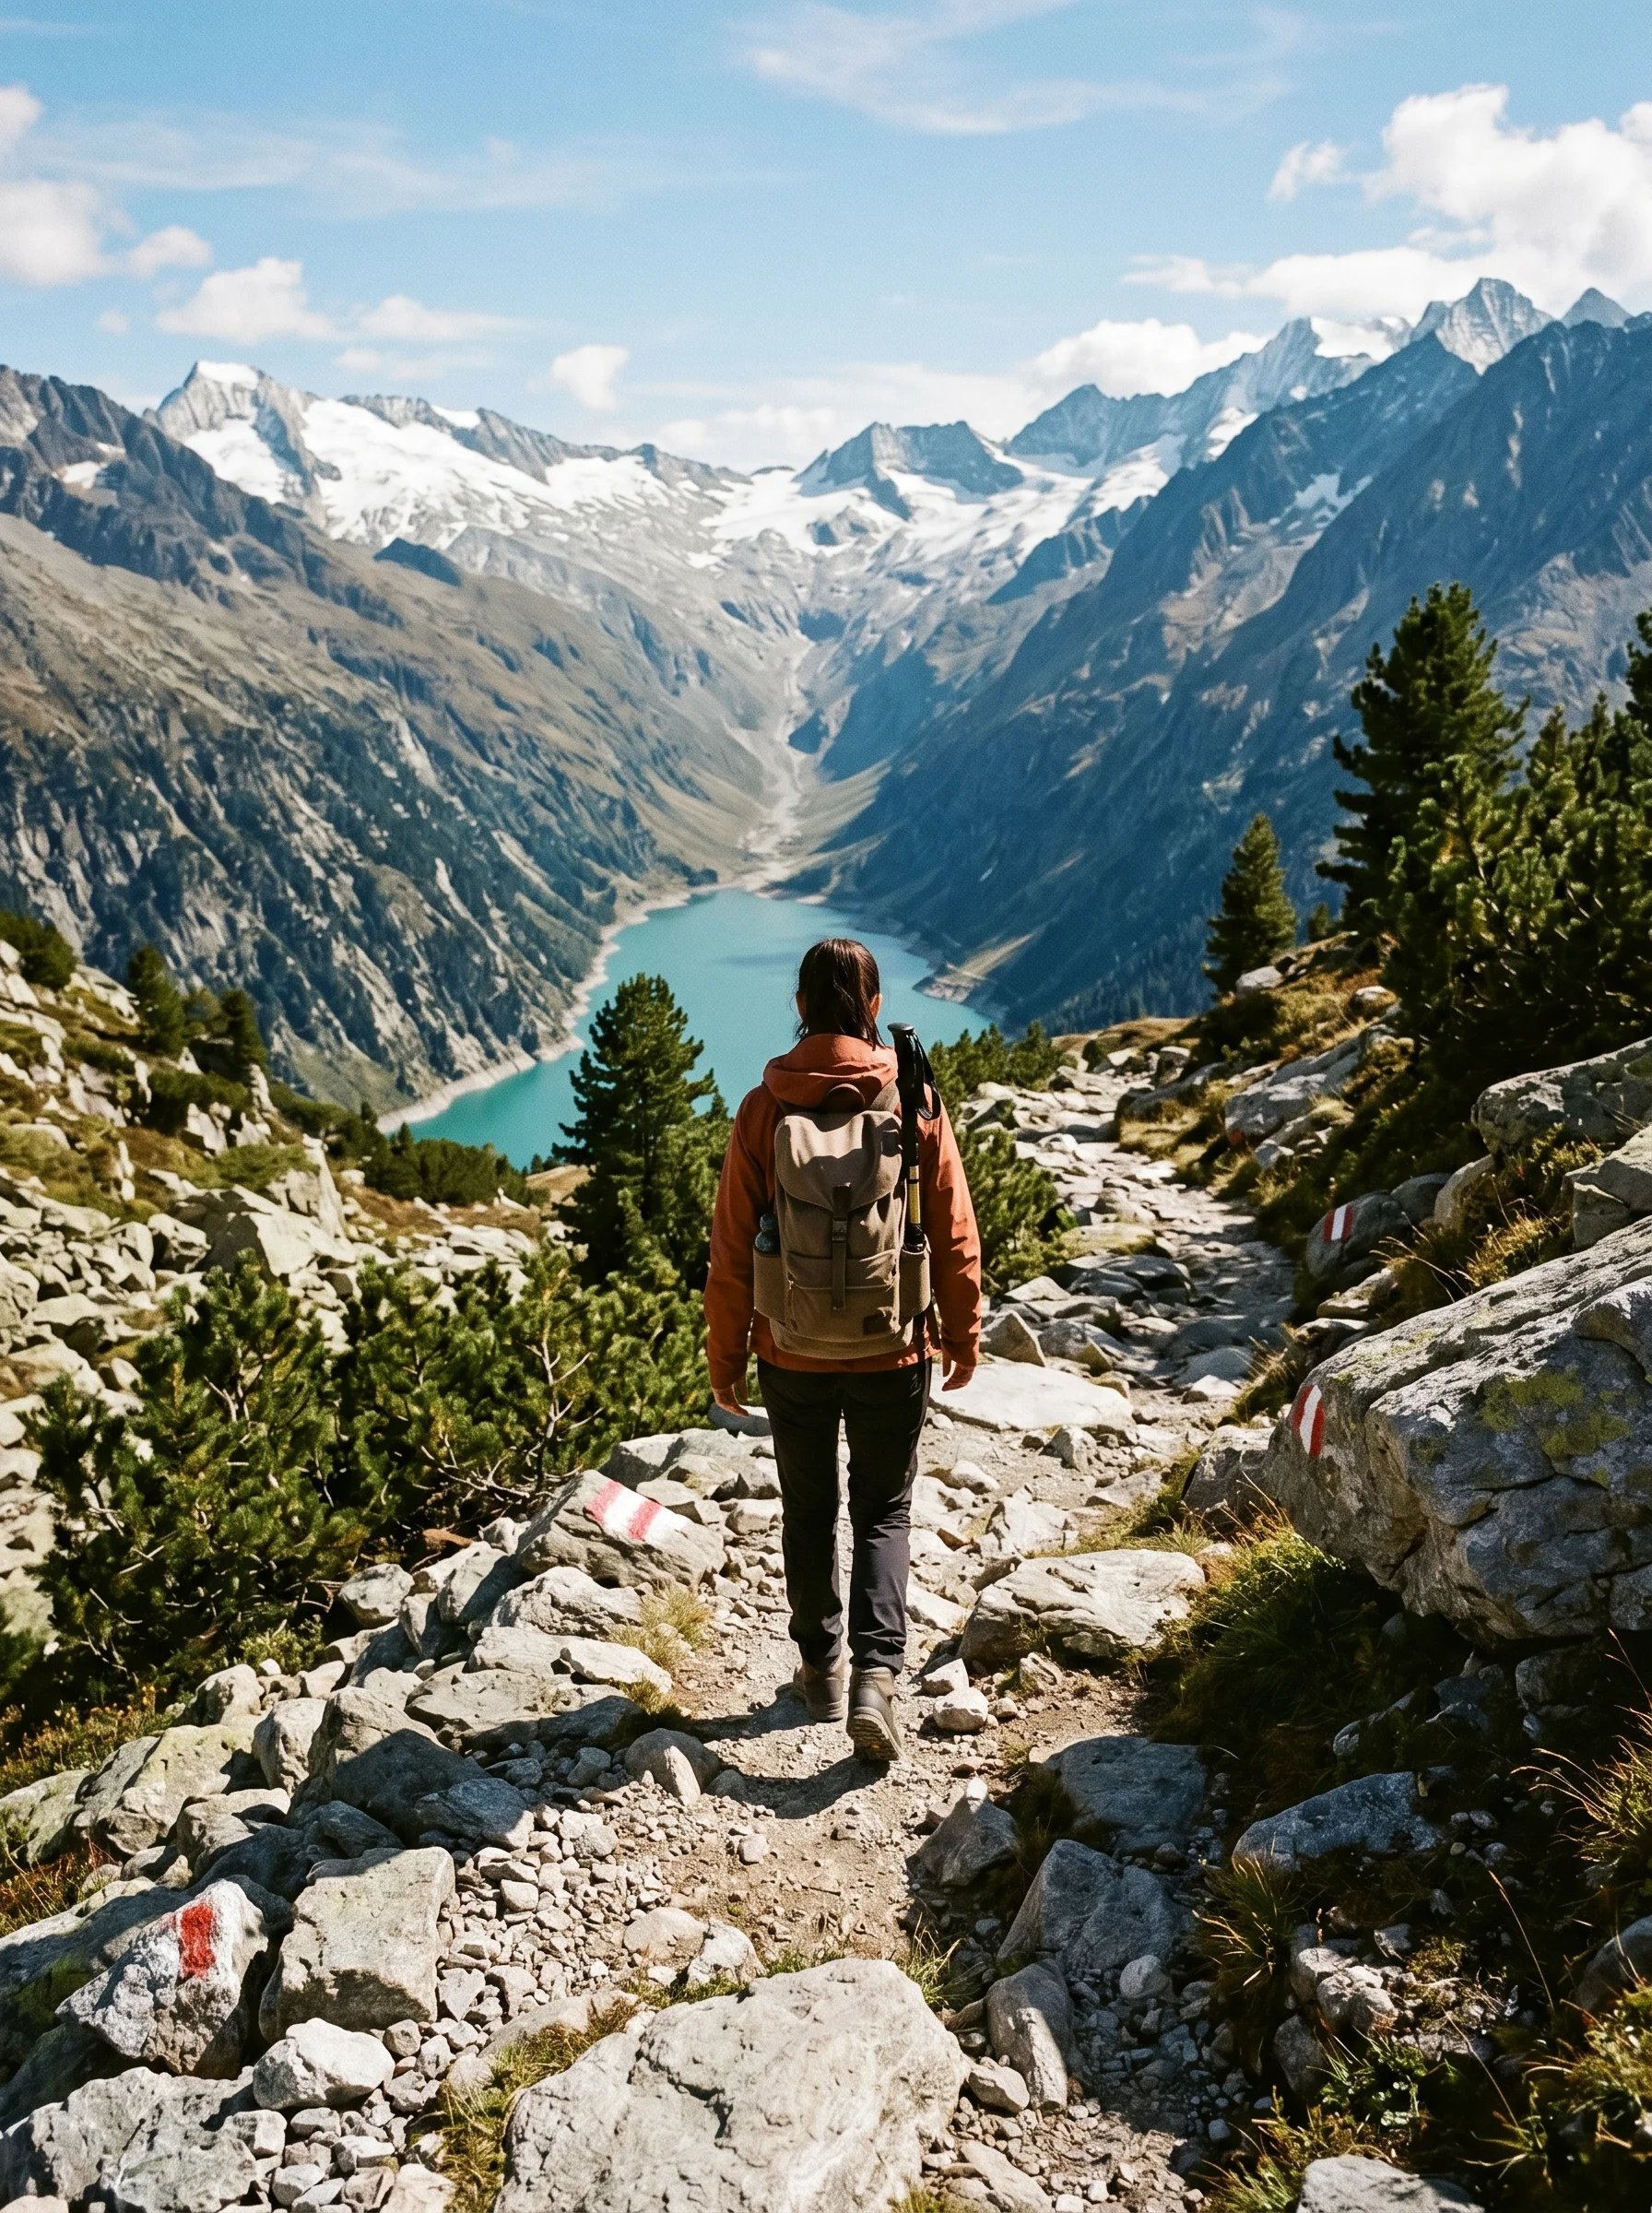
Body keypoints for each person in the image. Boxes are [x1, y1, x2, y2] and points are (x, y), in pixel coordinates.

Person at [704, 938, 982, 1760]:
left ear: (800, 1005)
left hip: (790, 1350)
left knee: (809, 1507)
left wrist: (726, 1362)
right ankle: (876, 1679)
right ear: (872, 1005)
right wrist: (961, 1336)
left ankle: (820, 1669)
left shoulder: (764, 1107)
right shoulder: (912, 1100)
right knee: (883, 1510)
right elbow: (954, 1231)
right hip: (894, 1346)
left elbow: (729, 1253)